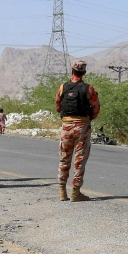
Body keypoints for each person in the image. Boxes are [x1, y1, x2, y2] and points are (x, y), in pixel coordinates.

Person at [55, 59, 100, 202]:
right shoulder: (89, 89)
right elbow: (96, 108)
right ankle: (75, 192)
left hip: (66, 127)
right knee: (79, 160)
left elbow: (58, 106)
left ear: (72, 71)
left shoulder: (62, 87)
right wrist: (87, 119)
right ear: (84, 73)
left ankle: (62, 191)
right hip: (82, 127)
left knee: (64, 158)